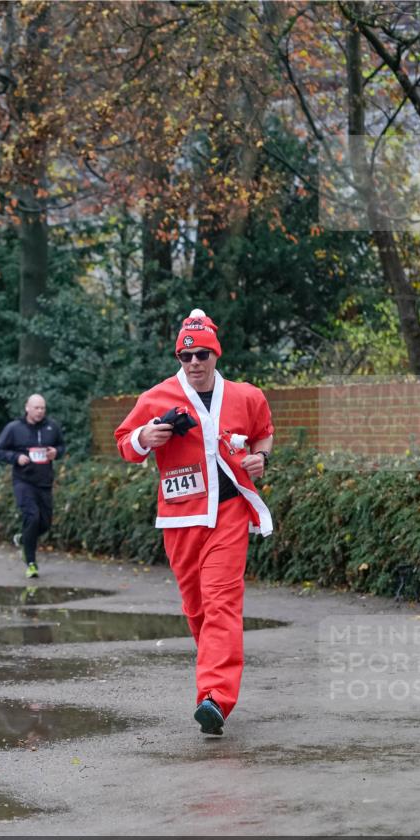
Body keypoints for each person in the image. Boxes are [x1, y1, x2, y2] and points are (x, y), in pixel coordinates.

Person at [115, 309, 274, 736]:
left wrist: (262, 458)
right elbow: (124, 442)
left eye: (202, 354)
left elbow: (264, 432)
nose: (194, 363)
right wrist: (145, 438)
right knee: (198, 609)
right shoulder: (156, 398)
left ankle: (214, 699)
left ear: (215, 354)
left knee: (222, 603)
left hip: (228, 513)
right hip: (180, 519)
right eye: (186, 356)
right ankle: (214, 678)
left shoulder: (245, 396)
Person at [0, 394, 66, 578]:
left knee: (45, 523)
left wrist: (55, 452)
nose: (40, 411)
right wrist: (16, 458)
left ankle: (24, 538)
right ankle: (31, 563)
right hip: (23, 481)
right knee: (32, 516)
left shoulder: (52, 427)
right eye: (36, 408)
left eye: (42, 408)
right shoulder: (14, 428)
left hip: (45, 482)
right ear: (27, 408)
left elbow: (62, 446)